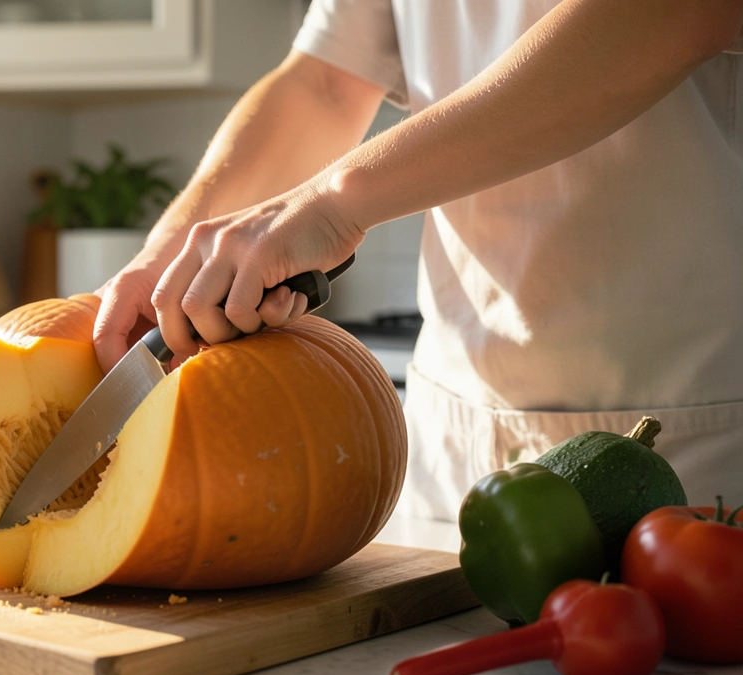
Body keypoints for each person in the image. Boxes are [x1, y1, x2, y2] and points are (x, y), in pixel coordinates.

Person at [92, 0, 743, 520]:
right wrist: (172, 252)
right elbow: (326, 82)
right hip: (454, 446)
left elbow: (678, 12)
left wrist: (334, 202)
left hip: (685, 443)